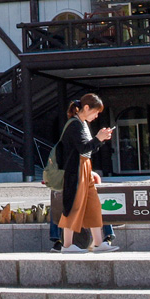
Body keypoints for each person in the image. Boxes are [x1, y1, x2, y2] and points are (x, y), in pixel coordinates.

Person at [55, 93, 118, 253]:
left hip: (84, 167)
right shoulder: (75, 124)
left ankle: (98, 242)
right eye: (96, 112)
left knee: (93, 205)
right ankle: (67, 245)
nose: (97, 116)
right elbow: (83, 147)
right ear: (86, 108)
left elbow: (87, 148)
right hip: (76, 169)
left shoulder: (80, 123)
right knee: (74, 204)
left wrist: (100, 139)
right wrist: (98, 138)